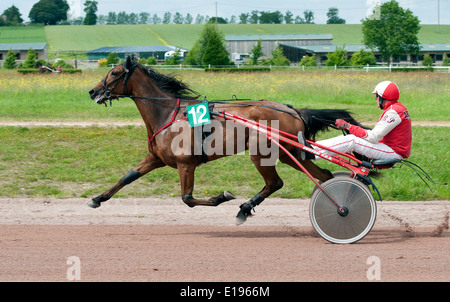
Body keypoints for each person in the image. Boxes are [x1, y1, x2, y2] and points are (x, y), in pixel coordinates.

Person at [310, 81, 412, 162]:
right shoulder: (396, 109)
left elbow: (374, 137)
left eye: (376, 96)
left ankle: (312, 152)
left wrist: (348, 126)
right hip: (389, 149)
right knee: (346, 138)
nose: (375, 99)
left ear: (382, 97)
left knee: (351, 141)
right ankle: (313, 147)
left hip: (393, 152)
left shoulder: (394, 112)